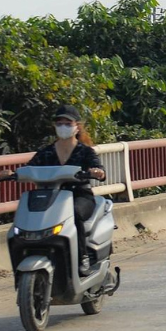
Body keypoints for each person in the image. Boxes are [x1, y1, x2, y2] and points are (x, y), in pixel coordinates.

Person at [11, 105, 106, 273]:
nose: (63, 127)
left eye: (68, 123)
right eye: (59, 123)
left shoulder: (85, 151)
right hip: (52, 198)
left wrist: (97, 172)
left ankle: (82, 257)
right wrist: (13, 174)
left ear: (77, 126)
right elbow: (30, 168)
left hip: (80, 196)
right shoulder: (46, 152)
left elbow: (98, 169)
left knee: (74, 214)